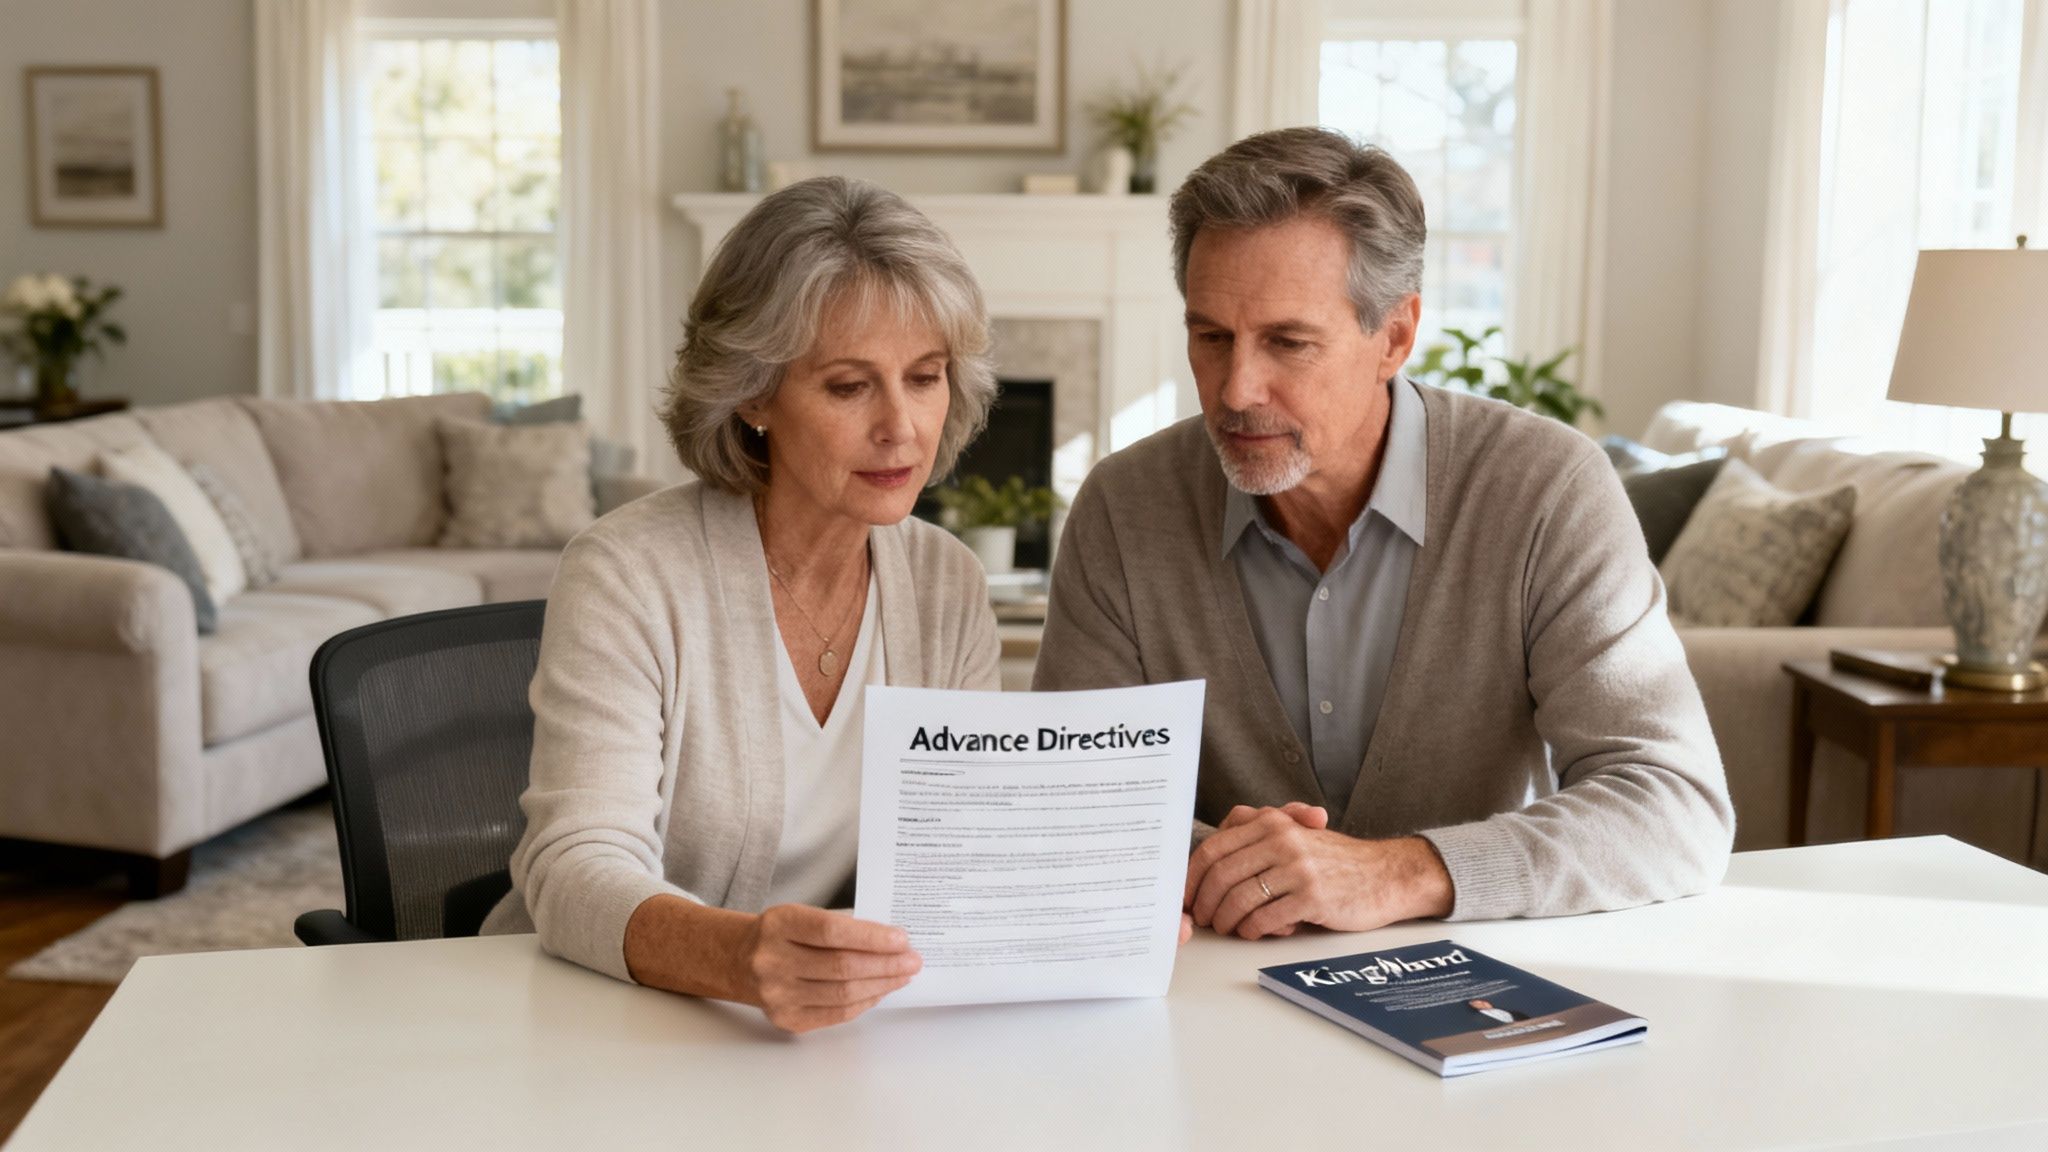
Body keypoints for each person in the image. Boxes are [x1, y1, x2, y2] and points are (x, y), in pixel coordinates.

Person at [1033, 127, 1734, 943]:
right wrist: (1267, 873)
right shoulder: (1125, 507)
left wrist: (1394, 872)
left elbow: (1672, 804)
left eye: (1288, 343)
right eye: (1211, 336)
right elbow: (1069, 797)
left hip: (1482, 980)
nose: (1235, 388)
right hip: (1214, 978)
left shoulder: (1547, 490)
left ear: (1395, 337)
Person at [481, 177, 1003, 1034]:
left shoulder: (947, 583)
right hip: (609, 1020)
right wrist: (738, 958)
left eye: (925, 377)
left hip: (844, 1034)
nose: (903, 428)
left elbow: (962, 849)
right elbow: (573, 865)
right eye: (848, 386)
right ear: (754, 393)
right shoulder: (626, 572)